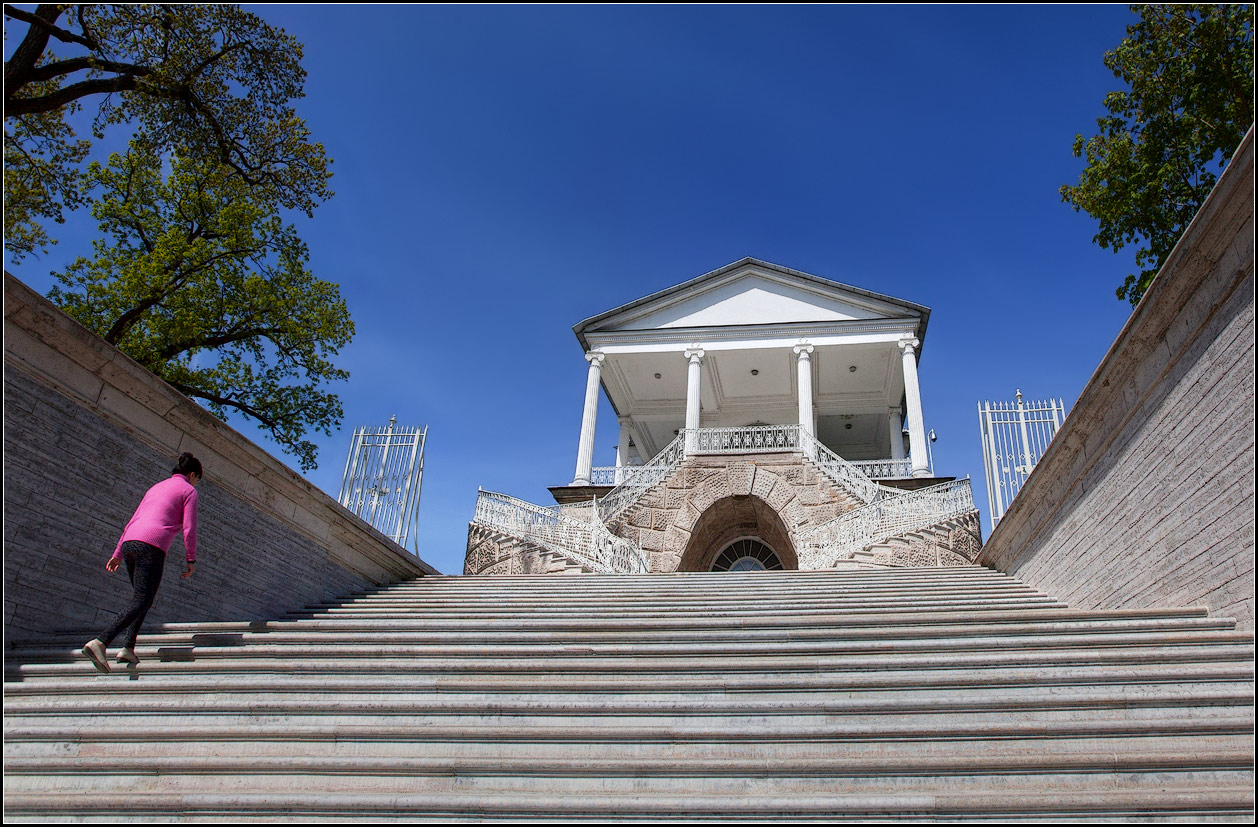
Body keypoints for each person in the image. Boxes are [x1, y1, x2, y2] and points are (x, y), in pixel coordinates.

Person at [81, 453, 202, 672]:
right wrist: (191, 558)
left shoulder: (155, 488)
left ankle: (128, 647)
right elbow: (189, 528)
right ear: (192, 475)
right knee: (142, 600)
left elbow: (133, 518)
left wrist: (118, 552)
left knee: (142, 597)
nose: (196, 483)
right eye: (197, 479)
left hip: (130, 543)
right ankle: (100, 642)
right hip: (151, 546)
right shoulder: (189, 491)